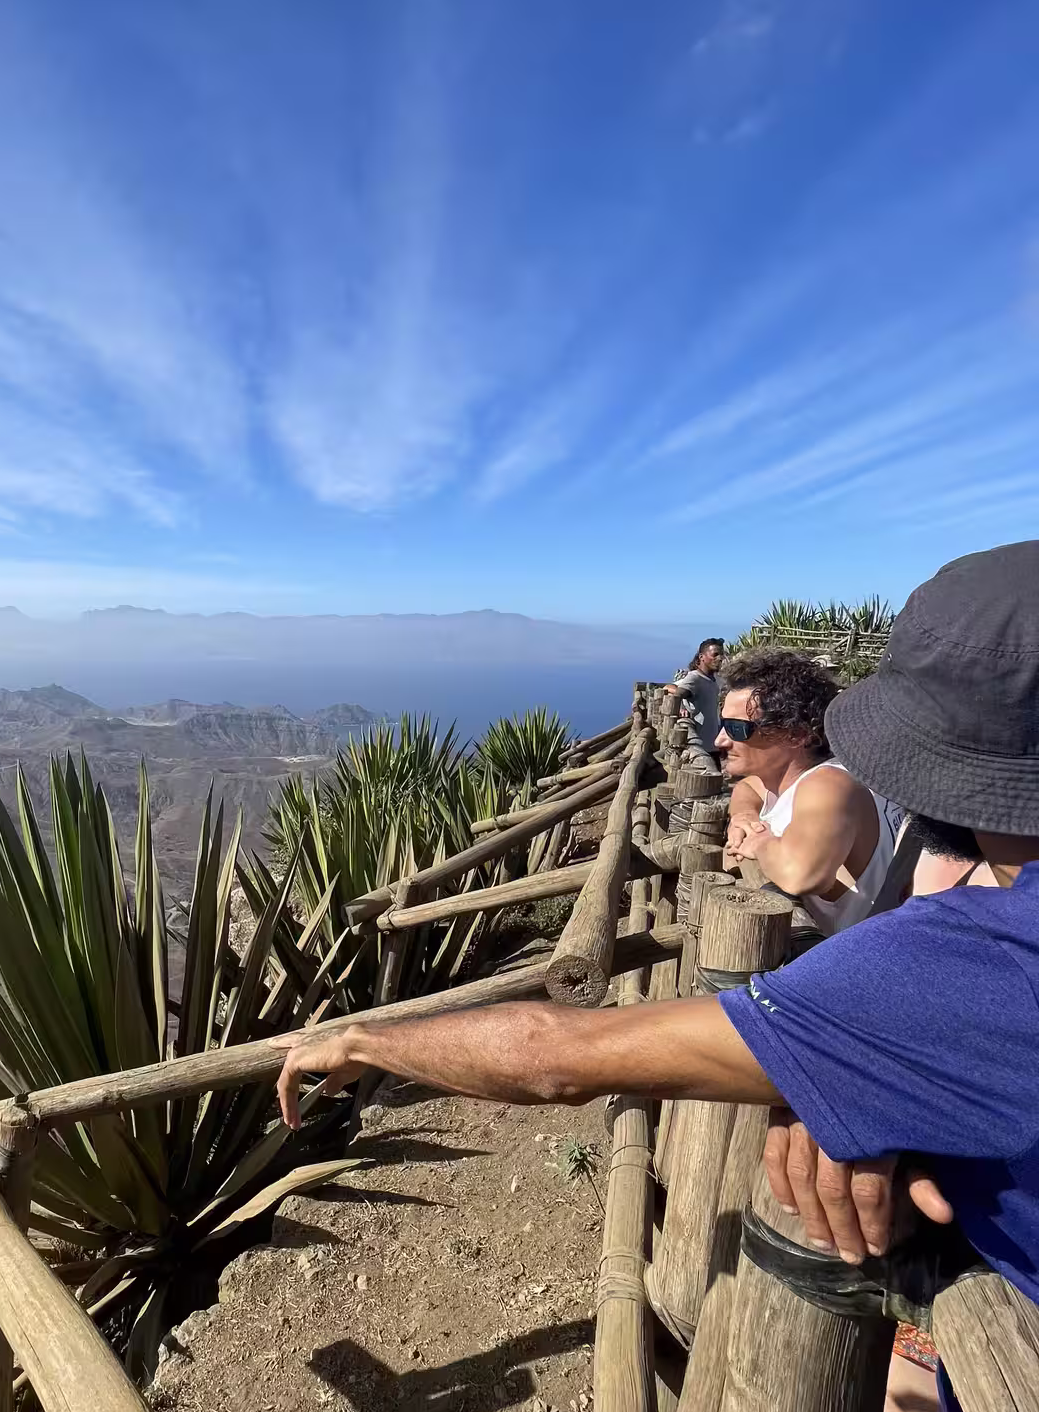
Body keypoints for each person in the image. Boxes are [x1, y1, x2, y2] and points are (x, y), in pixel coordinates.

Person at [277, 540, 1039, 1308]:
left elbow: (557, 1056)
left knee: (890, 1378)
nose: (721, 744)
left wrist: (365, 1040)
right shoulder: (973, 921)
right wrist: (851, 1084)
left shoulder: (975, 962)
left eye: (740, 733)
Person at [718, 647, 901, 933]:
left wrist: (761, 843)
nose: (720, 740)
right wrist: (743, 816)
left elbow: (800, 875)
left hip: (853, 969)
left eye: (736, 729)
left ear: (797, 734)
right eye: (722, 724)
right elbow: (748, 788)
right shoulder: (784, 780)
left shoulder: (829, 784)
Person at [664, 637, 725, 760]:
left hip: (712, 744)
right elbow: (677, 695)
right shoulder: (694, 678)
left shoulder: (715, 680)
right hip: (699, 746)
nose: (719, 658)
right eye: (715, 654)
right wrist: (681, 708)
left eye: (721, 655)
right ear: (702, 657)